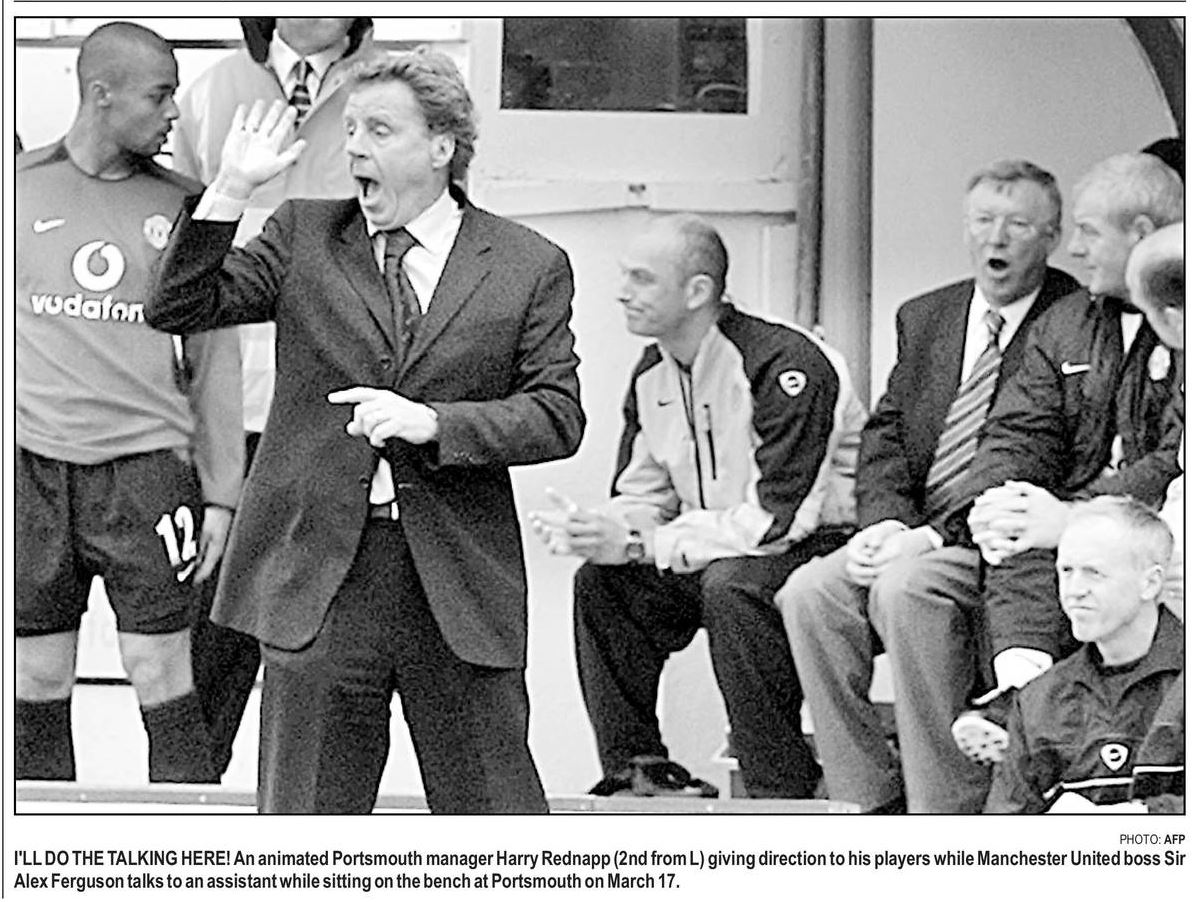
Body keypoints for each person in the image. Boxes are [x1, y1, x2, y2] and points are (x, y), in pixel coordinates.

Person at [148, 49, 584, 814]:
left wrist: (435, 424)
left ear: (441, 146)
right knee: (308, 827)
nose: (354, 147)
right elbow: (178, 305)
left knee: (496, 825)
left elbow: (556, 414)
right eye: (350, 130)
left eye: (378, 130)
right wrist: (230, 189)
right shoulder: (304, 234)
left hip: (457, 581)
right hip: (321, 576)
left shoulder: (528, 264)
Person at [777, 160, 1077, 813]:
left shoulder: (1071, 318)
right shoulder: (927, 315)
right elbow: (886, 434)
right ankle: (865, 797)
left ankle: (946, 808)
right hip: (912, 528)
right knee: (808, 592)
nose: (996, 238)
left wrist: (930, 538)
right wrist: (884, 524)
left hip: (998, 541)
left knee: (905, 588)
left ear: (1052, 236)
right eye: (983, 221)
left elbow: (1031, 457)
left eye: (1018, 224)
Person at [533, 214, 865, 799]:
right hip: (715, 546)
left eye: (641, 278)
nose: (622, 292)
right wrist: (601, 530)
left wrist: (640, 544)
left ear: (697, 291)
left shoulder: (785, 364)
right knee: (603, 582)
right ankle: (639, 772)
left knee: (733, 587)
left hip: (820, 545)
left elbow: (779, 521)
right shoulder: (652, 370)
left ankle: (778, 787)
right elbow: (645, 493)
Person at [15, 22, 242, 783]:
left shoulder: (185, 206)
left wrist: (222, 494)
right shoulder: (18, 187)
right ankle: (39, 846)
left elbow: (215, 359)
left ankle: (188, 846)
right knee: (37, 674)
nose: (174, 112)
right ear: (101, 94)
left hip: (145, 473)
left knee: (160, 668)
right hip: (33, 471)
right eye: (159, 95)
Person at [172, 16, 374, 777]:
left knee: (324, 645)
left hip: (339, 417)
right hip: (225, 410)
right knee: (209, 637)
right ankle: (194, 807)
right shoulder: (210, 91)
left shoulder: (393, 90)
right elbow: (177, 261)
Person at [953, 153, 1183, 763]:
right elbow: (1015, 431)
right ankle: (1018, 698)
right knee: (1025, 540)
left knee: (1083, 551)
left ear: (1140, 233)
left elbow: (1173, 461)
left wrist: (1075, 516)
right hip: (1068, 516)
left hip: (1159, 526)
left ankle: (1040, 721)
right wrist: (999, 504)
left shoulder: (1184, 325)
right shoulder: (1067, 320)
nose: (1075, 250)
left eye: (1088, 232)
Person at [984, 496, 1181, 814]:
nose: (1075, 590)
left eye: (1094, 573)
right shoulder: (1038, 699)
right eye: (1066, 571)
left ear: (1150, 583)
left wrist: (1135, 817)